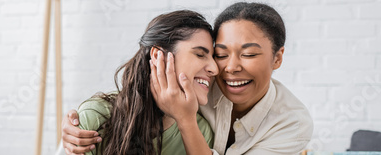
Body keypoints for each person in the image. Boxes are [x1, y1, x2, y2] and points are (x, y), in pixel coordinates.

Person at [62, 2, 313, 155]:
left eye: (248, 54)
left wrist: (185, 119)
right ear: (159, 58)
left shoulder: (292, 122)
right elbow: (135, 96)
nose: (224, 68)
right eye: (220, 54)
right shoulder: (199, 87)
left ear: (277, 58)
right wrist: (79, 121)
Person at [62, 10, 219, 155]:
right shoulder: (97, 117)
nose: (214, 68)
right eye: (200, 54)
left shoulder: (200, 131)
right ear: (158, 56)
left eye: (214, 57)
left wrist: (186, 121)